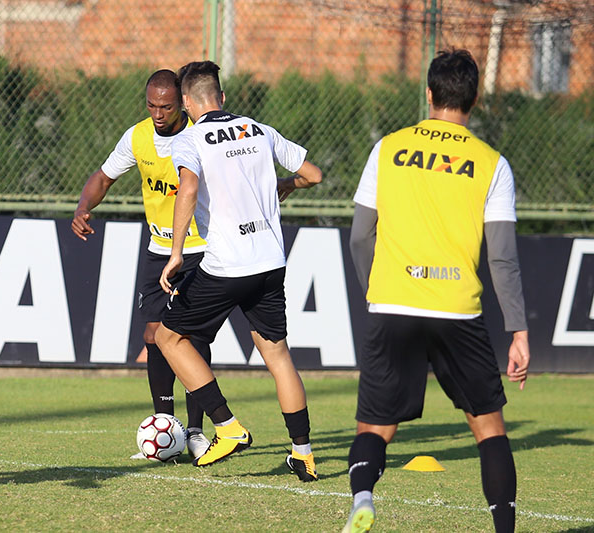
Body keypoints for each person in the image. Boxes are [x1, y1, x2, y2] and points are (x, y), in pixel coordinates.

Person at [342, 49, 530, 533]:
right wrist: (518, 330)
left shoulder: (387, 148)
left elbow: (361, 235)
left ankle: (363, 497)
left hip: (393, 303)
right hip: (457, 311)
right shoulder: (493, 164)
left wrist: (376, 291)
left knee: (375, 427)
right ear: (475, 98)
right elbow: (502, 256)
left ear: (428, 94)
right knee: (488, 428)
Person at [154, 61, 323, 482]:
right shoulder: (259, 130)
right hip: (270, 263)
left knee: (168, 337)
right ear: (222, 97)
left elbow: (188, 189)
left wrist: (176, 254)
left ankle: (227, 426)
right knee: (278, 356)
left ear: (188, 103)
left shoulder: (191, 139)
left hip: (227, 266)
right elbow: (313, 174)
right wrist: (288, 186)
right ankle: (302, 454)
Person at [71, 69, 212, 460]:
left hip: (200, 249)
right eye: (151, 105)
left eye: (166, 106)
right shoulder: (137, 136)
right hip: (159, 250)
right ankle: (167, 428)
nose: (158, 113)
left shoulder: (200, 136)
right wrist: (83, 207)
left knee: (190, 339)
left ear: (181, 103)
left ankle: (198, 431)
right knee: (153, 338)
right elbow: (103, 177)